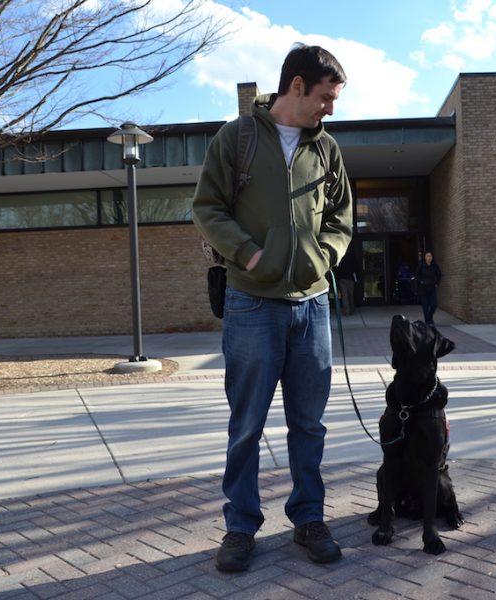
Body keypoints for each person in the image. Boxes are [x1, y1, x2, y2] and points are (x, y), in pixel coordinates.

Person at [192, 44, 352, 573]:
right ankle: (240, 527)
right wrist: (249, 253)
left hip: (311, 307)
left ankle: (309, 517)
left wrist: (320, 258)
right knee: (247, 424)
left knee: (309, 424)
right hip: (250, 305)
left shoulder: (326, 150)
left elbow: (341, 218)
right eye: (326, 97)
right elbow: (207, 207)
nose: (330, 108)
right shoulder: (235, 138)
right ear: (298, 86)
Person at [415, 251, 442, 325]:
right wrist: (421, 282)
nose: (429, 257)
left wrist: (437, 283)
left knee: (434, 305)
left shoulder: (435, 265)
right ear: (425, 257)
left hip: (432, 288)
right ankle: (428, 321)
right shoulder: (421, 265)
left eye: (430, 256)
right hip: (423, 289)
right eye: (427, 256)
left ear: (432, 257)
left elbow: (439, 274)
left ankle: (429, 318)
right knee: (425, 306)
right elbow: (417, 275)